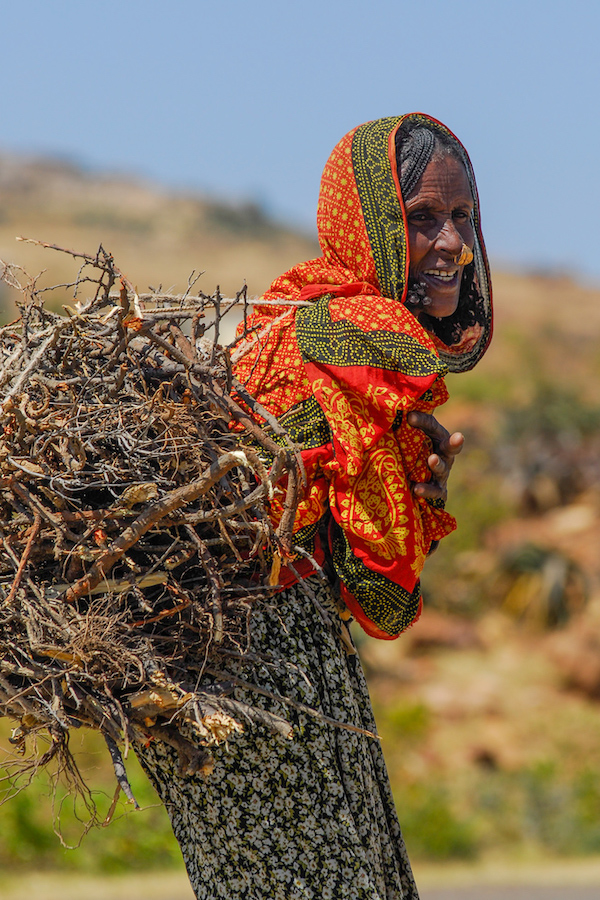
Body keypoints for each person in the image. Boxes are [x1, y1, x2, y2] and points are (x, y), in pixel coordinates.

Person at [135, 113, 492, 900]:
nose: (454, 245)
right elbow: (383, 601)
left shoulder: (293, 314)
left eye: (463, 216)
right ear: (367, 224)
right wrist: (416, 495)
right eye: (423, 218)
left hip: (208, 687)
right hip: (276, 700)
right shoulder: (374, 342)